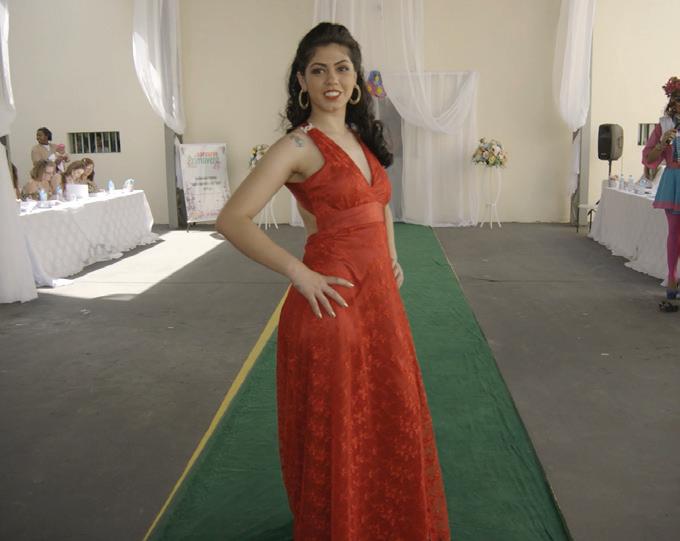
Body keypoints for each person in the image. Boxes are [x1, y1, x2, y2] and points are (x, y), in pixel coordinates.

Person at [216, 23, 450, 539]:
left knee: (387, 412)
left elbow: (379, 203)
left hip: (380, 301)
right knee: (342, 425)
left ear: (356, 79)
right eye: (318, 70)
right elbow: (232, 219)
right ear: (302, 80)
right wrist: (298, 273)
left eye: (342, 69)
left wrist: (391, 255)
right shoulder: (298, 145)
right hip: (332, 305)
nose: (332, 80)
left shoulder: (362, 140)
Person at [644, 76, 680, 308]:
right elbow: (649, 158)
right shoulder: (663, 126)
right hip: (674, 180)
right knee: (674, 232)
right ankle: (672, 277)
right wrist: (662, 144)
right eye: (677, 100)